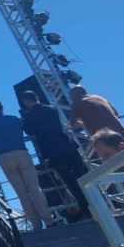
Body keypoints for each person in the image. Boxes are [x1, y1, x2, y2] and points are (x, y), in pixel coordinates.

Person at [19, 91, 91, 220]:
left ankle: (85, 208)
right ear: (37, 97)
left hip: (52, 152)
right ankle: (98, 201)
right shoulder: (52, 109)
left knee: (70, 181)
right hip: (68, 146)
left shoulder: (29, 117)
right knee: (84, 174)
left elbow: (29, 131)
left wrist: (25, 120)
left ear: (26, 101)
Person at [0, 100, 53, 230]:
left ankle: (35, 223)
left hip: (4, 156)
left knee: (21, 193)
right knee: (34, 187)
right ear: (2, 107)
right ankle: (48, 218)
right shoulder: (14, 119)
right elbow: (25, 130)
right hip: (21, 152)